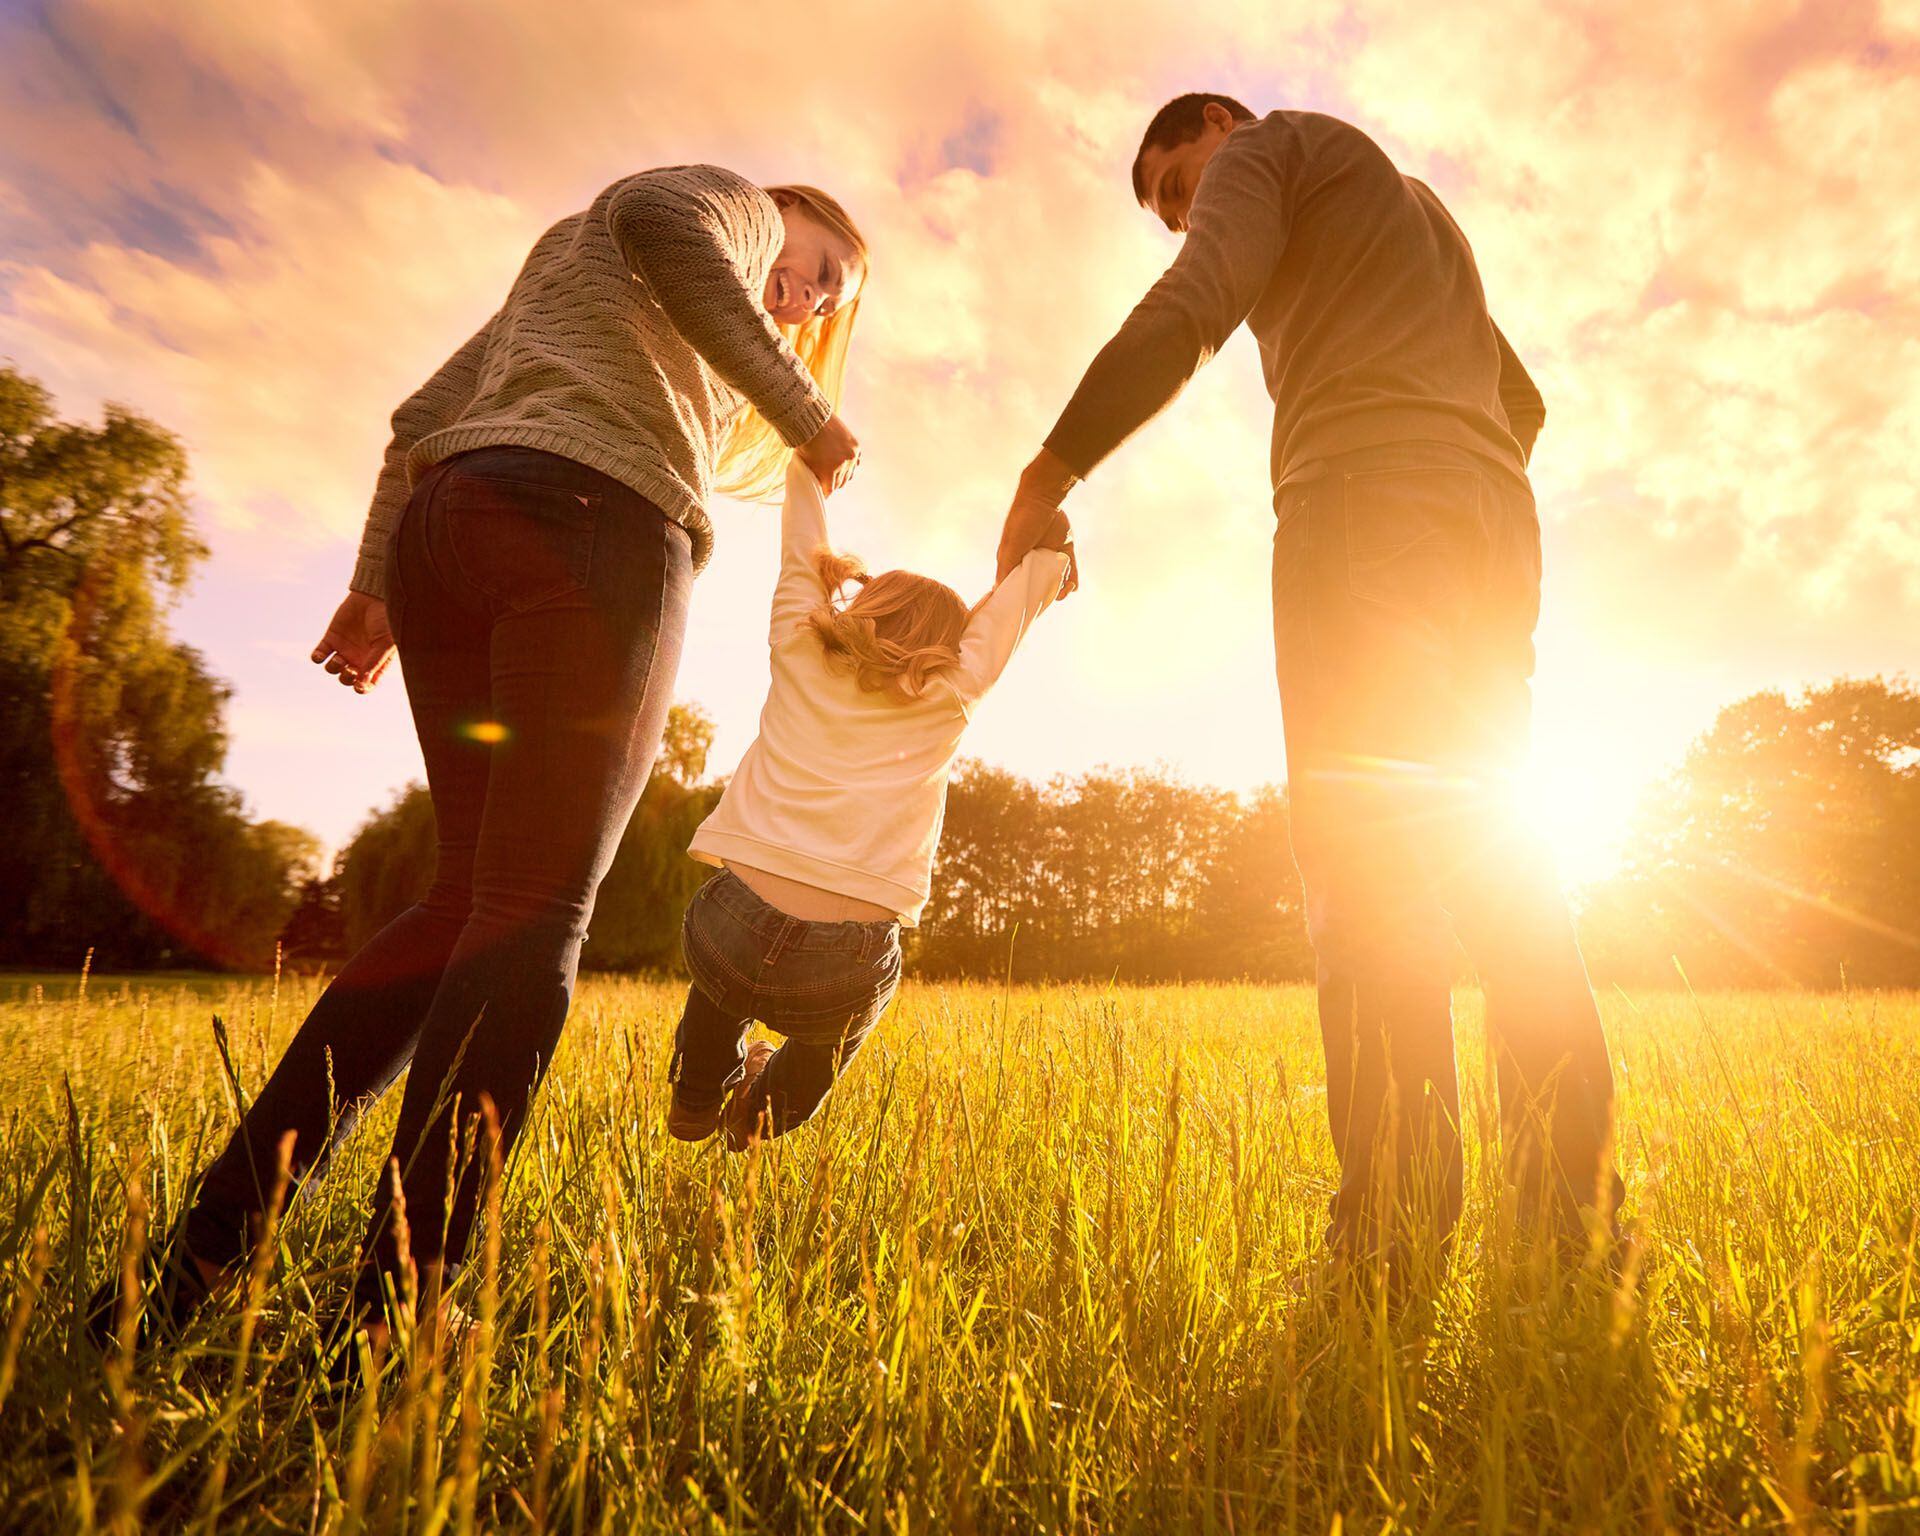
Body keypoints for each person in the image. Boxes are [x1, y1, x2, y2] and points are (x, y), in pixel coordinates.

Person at [90, 167, 869, 1357]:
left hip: (450, 532)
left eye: (826, 303)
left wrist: (372, 588)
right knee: (535, 912)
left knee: (462, 902)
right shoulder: (721, 202)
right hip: (595, 523)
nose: (807, 300)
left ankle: (199, 1255)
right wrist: (803, 409)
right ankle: (399, 1309)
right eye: (818, 267)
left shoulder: (574, 280)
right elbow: (668, 223)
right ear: (781, 211)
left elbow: (417, 420)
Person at [995, 94, 1624, 1272]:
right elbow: (1521, 399)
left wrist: (1050, 469)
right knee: (1502, 864)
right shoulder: (1414, 208)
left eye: (1184, 186)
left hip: (1364, 509)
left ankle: (1390, 1236)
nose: (1189, 218)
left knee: (1367, 862)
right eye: (1173, 209)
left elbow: (1195, 306)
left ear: (1220, 126)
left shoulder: (1272, 148)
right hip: (1492, 525)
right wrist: (1448, 467)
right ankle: (1573, 1221)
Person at [666, 457, 1070, 1147]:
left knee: (722, 982)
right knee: (828, 1043)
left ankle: (697, 1095)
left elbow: (801, 548)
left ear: (864, 605)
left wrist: (807, 467)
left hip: (728, 925)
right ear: (950, 645)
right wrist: (1049, 558)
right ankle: (762, 1118)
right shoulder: (954, 690)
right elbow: (1013, 609)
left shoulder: (799, 644)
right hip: (842, 964)